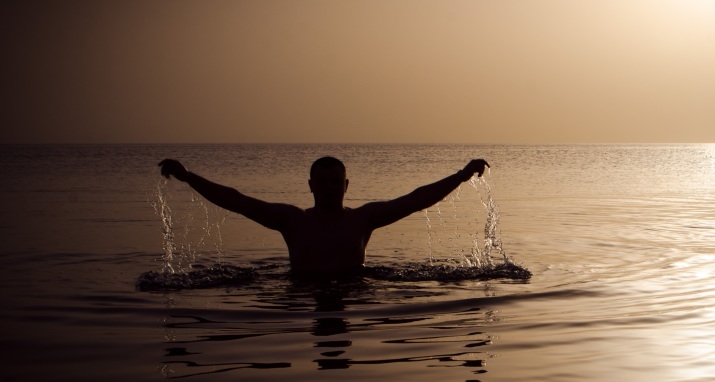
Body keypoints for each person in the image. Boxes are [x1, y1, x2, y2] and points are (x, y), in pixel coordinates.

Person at [158, 156, 489, 275]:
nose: (329, 188)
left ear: (346, 186)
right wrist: (189, 177)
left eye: (335, 182)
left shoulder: (363, 219)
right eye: (323, 182)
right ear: (311, 186)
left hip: (354, 289)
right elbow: (236, 200)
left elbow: (415, 199)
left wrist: (460, 176)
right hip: (300, 291)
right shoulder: (293, 220)